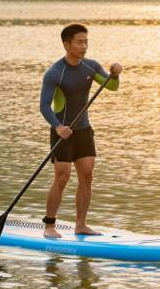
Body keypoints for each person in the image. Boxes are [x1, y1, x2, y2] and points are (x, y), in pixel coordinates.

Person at [39, 23, 122, 239]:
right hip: (63, 132)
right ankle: (49, 225)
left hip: (84, 131)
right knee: (62, 177)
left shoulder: (91, 67)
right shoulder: (55, 73)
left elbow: (112, 87)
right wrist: (57, 126)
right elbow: (44, 106)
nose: (84, 46)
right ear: (67, 44)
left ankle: (81, 225)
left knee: (87, 177)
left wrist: (115, 74)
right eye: (79, 42)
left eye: (86, 41)